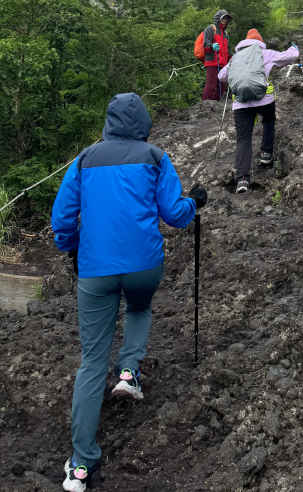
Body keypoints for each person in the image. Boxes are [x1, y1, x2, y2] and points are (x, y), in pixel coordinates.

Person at [51, 92, 204, 492]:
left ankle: (81, 466)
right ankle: (129, 371)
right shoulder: (155, 157)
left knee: (90, 362)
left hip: (96, 271)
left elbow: (62, 218)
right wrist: (195, 202)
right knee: (139, 308)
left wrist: (69, 246)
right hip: (143, 266)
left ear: (109, 122)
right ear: (144, 123)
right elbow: (174, 214)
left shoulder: (84, 159)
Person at [217, 29, 299, 194]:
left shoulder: (235, 58)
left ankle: (242, 179)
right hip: (264, 99)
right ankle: (266, 154)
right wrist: (294, 48)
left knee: (243, 139)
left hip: (240, 103)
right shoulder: (265, 53)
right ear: (260, 42)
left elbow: (221, 76)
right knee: (268, 121)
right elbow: (289, 57)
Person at [196, 9, 231, 102]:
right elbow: (205, 44)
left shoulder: (225, 34)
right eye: (223, 18)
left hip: (223, 63)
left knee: (222, 86)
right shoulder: (211, 29)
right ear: (218, 19)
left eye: (227, 19)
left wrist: (232, 58)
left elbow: (227, 50)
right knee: (211, 85)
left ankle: (215, 105)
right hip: (212, 61)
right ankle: (205, 105)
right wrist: (212, 46)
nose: (225, 21)